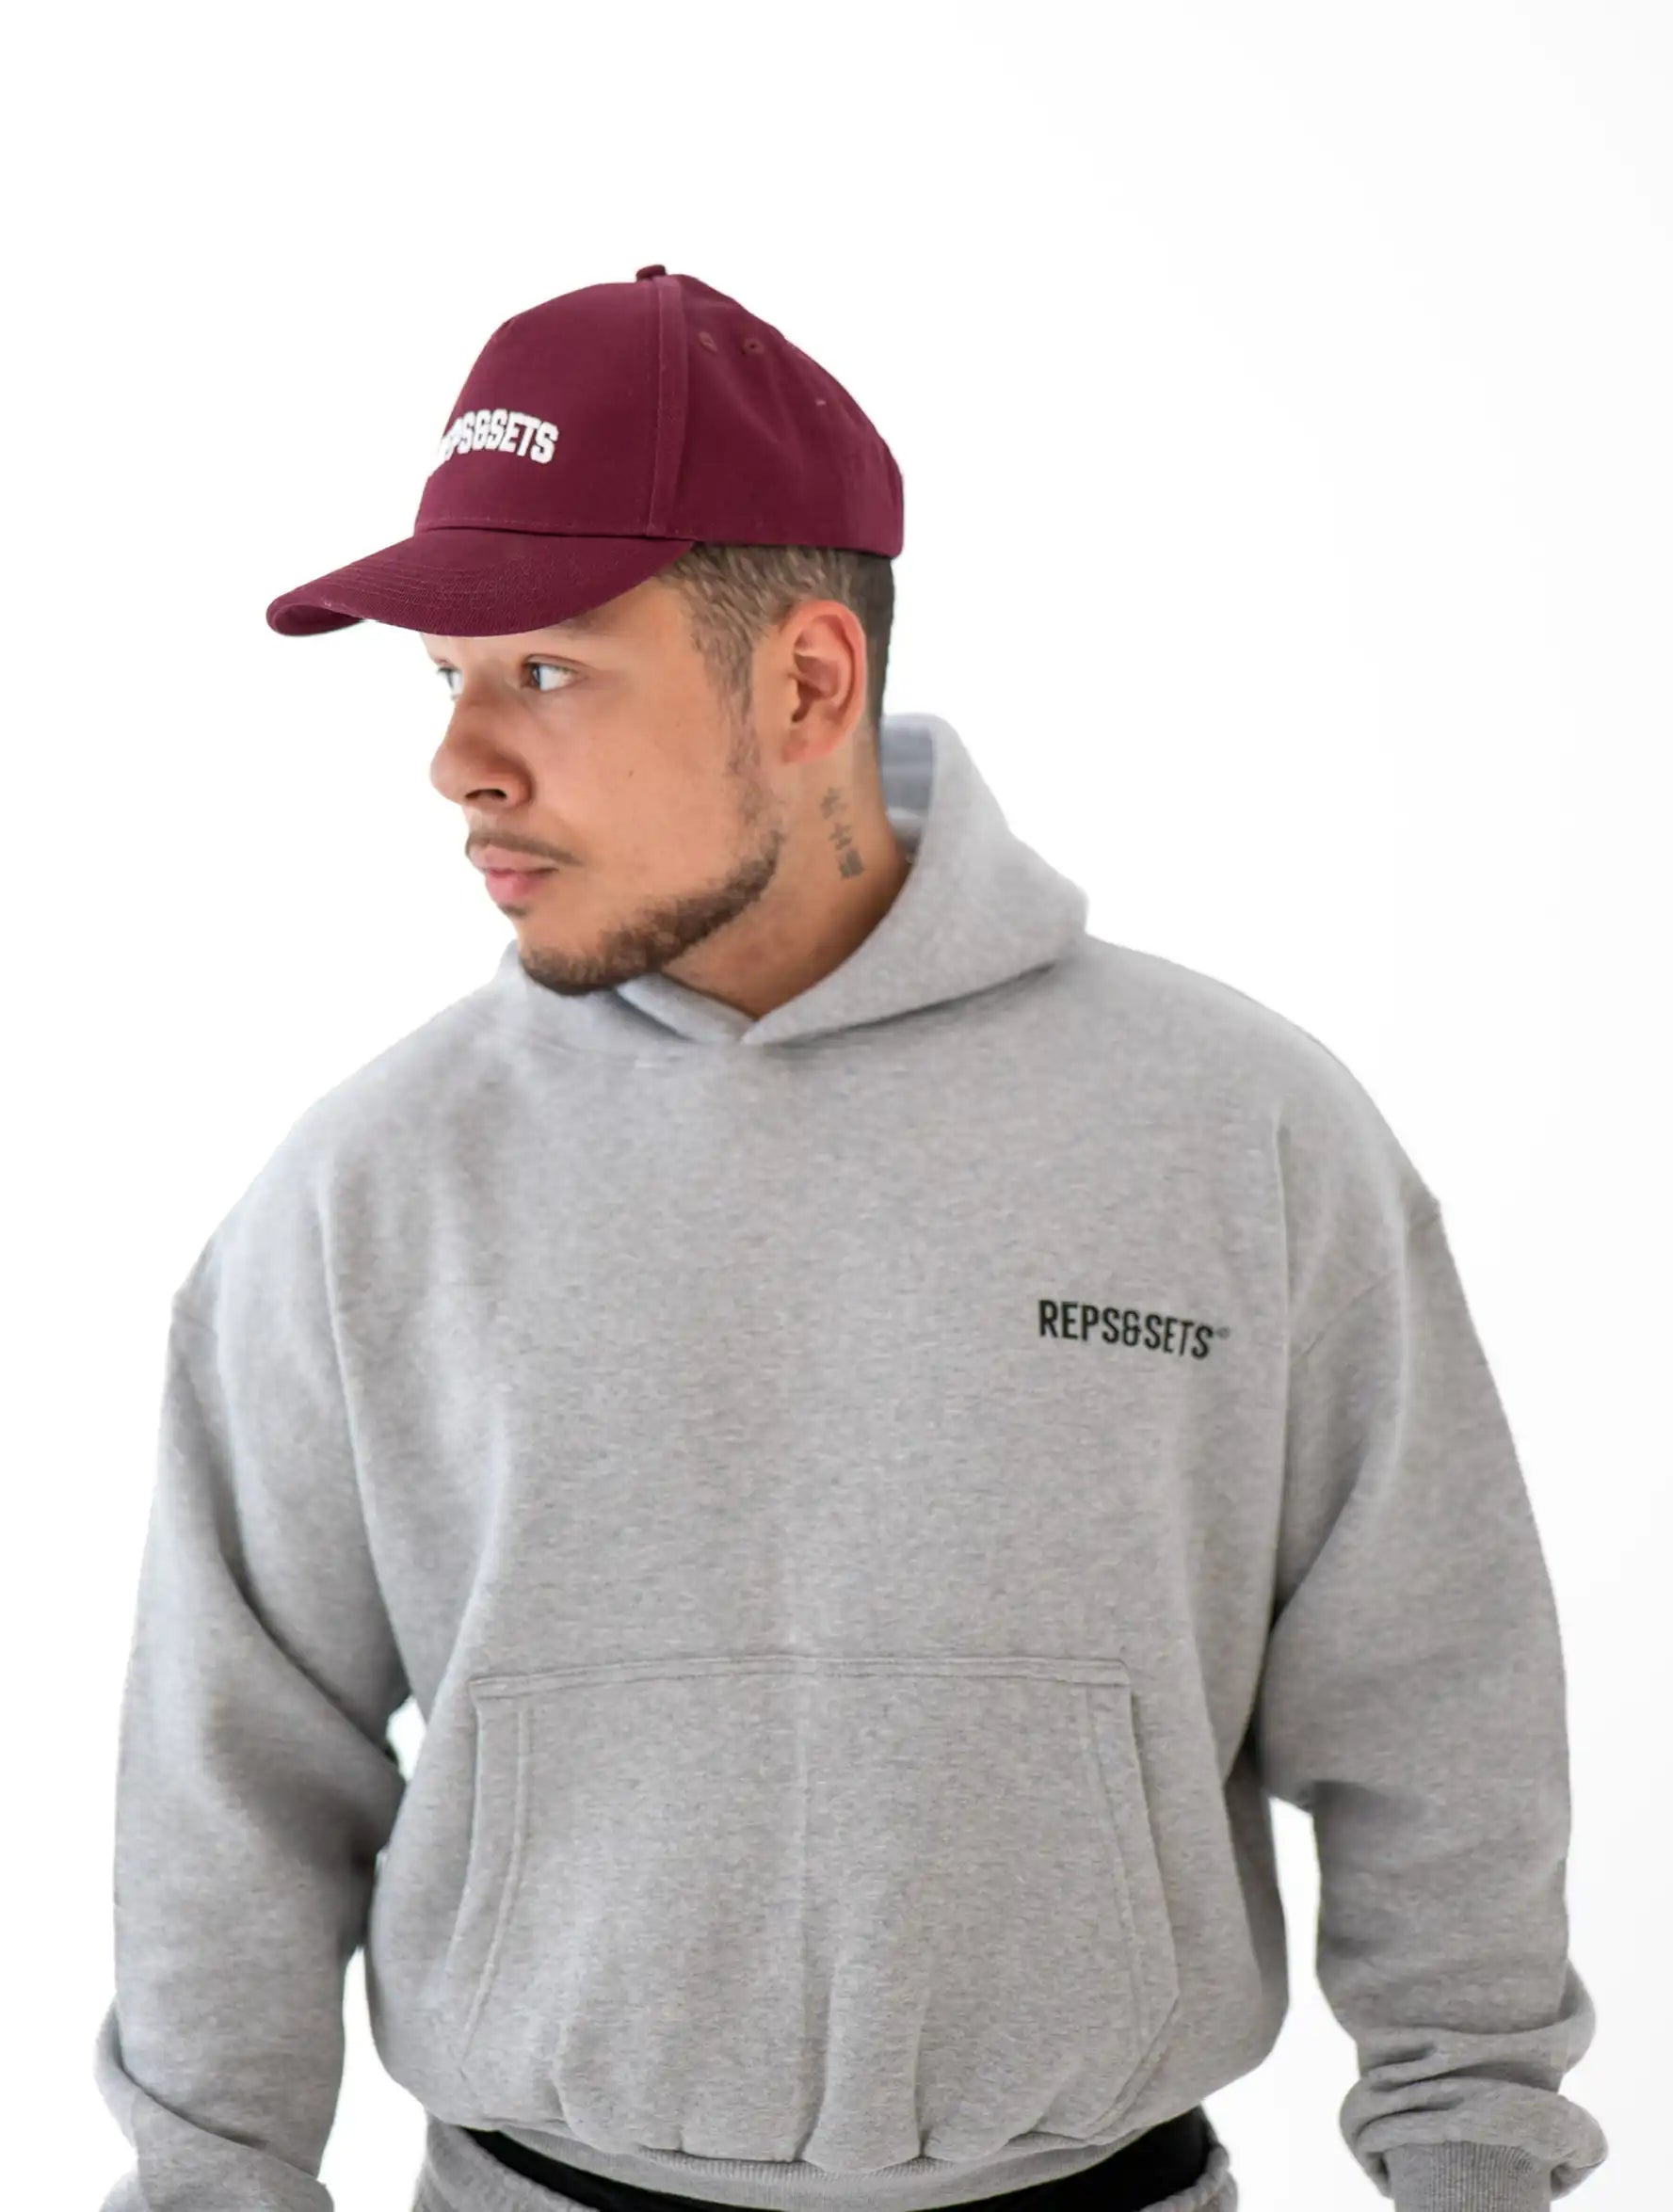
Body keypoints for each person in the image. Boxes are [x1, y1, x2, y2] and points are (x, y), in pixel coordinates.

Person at [92, 266, 1606, 2212]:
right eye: (443, 676)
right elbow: (232, 1766)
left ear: (807, 681)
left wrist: (1473, 2153)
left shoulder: (1239, 1130)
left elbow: (1439, 1692)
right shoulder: (367, 1184)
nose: (460, 758)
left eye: (542, 669)